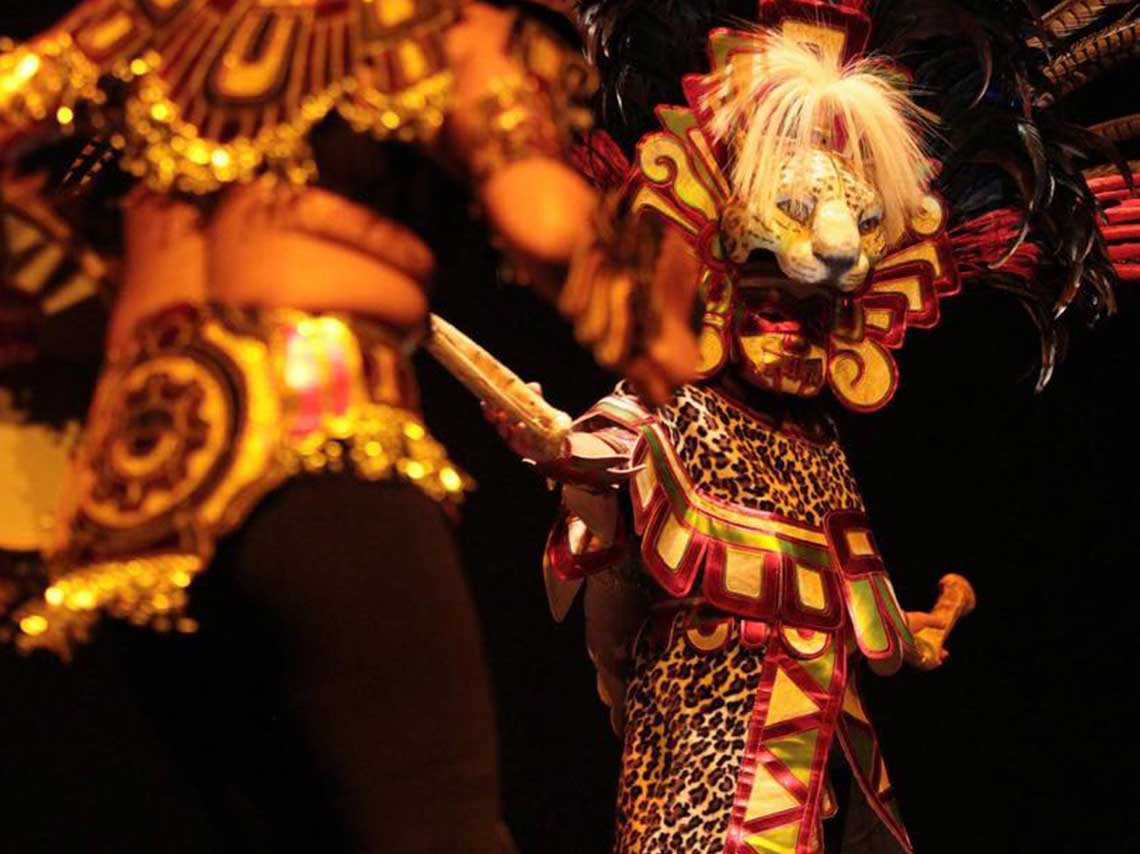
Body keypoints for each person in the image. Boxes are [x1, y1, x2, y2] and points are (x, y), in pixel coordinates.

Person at [0, 1, 697, 850]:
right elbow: (541, 218)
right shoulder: (445, 21)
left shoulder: (143, 17)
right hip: (307, 440)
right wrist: (649, 313)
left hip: (128, 495)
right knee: (439, 827)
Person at [486, 0, 1137, 851]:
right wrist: (554, 446)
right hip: (712, 771)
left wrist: (913, 628)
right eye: (787, 229)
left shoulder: (820, 451)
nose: (832, 261)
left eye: (861, 235)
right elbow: (602, 459)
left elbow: (841, 592)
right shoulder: (676, 407)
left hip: (823, 770)